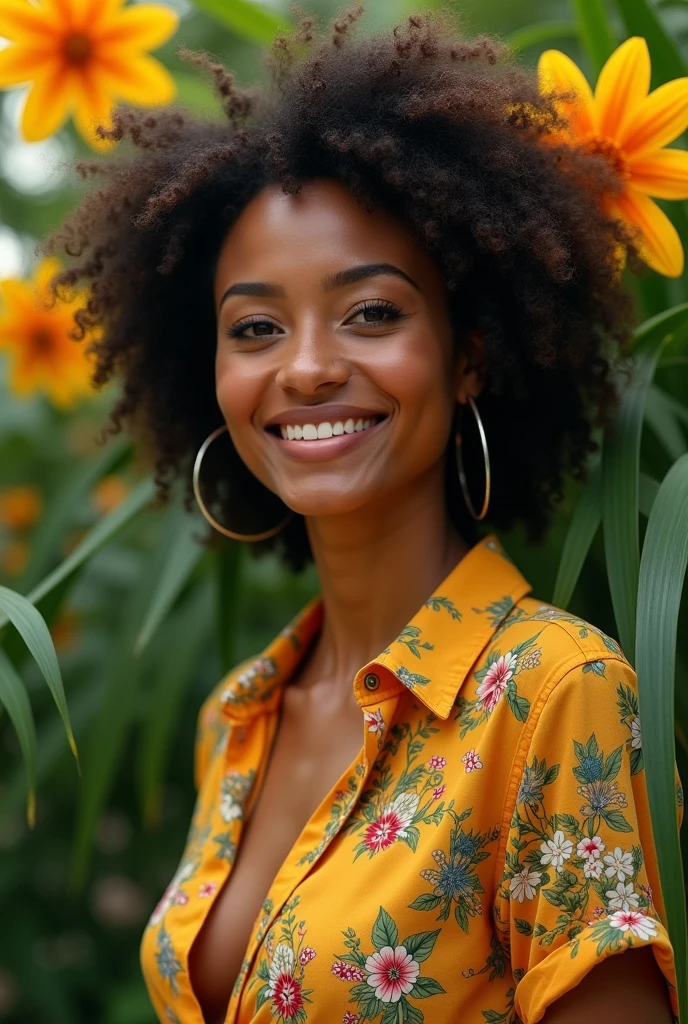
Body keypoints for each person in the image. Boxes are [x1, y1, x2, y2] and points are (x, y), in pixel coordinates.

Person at [47, 6, 681, 1023]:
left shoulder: (555, 697)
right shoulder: (237, 718)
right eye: (254, 327)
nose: (303, 367)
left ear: (468, 351)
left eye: (372, 312)